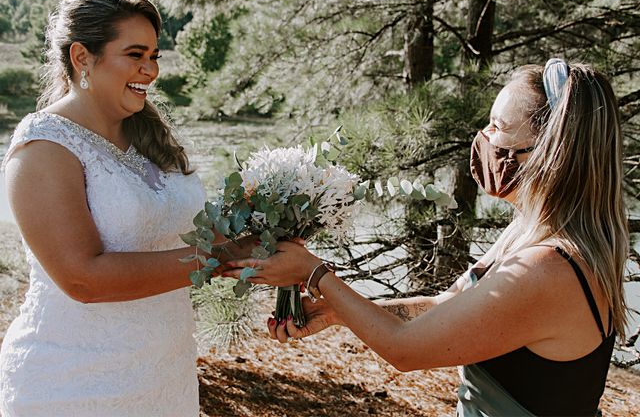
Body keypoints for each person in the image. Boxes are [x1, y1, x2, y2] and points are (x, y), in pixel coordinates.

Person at [225, 60, 629, 416]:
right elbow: (445, 306)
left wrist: (315, 273)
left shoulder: (549, 267)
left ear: (547, 153)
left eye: (499, 127)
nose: (484, 137)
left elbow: (406, 349)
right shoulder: (529, 232)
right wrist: (335, 311)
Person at [0, 0, 244, 416]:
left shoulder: (150, 137)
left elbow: (178, 234)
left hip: (163, 376)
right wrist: (218, 256)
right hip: (71, 385)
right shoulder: (44, 148)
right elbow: (83, 279)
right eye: (135, 55)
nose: (150, 71)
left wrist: (259, 227)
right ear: (82, 58)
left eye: (154, 56)